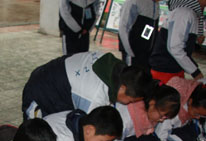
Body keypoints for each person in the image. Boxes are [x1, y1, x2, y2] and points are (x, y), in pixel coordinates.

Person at [22, 51, 152, 120]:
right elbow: (88, 132)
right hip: (41, 91)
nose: (129, 104)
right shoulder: (94, 96)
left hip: (57, 80)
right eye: (131, 100)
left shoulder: (114, 67)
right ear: (123, 88)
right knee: (36, 138)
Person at [149, 0, 206, 83]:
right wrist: (195, 72)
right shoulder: (184, 12)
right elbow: (174, 47)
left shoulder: (190, 11)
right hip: (165, 70)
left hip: (173, 68)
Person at [118, 0, 166, 67]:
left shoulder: (155, 2)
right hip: (133, 52)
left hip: (147, 53)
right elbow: (123, 27)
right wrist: (129, 51)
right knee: (131, 76)